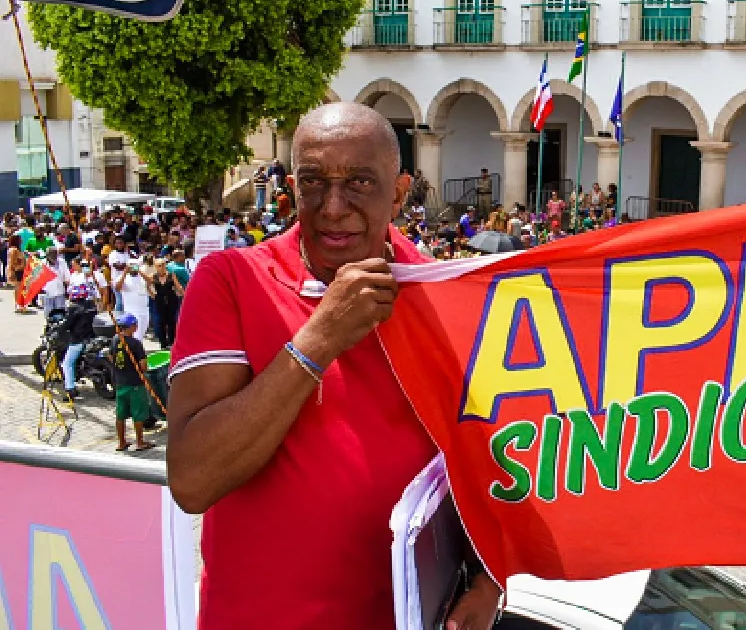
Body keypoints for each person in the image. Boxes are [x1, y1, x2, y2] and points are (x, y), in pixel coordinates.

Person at [165, 103, 500, 630]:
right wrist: (318, 341)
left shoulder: (444, 292)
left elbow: (489, 464)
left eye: (360, 182)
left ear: (399, 192)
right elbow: (191, 480)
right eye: (314, 183)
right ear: (292, 186)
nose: (333, 207)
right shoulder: (230, 279)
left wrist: (488, 581)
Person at [111, 313, 155, 452]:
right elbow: (143, 366)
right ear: (131, 327)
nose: (137, 327)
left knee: (120, 414)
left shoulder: (115, 340)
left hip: (120, 382)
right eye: (135, 325)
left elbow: (112, 357)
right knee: (138, 413)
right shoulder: (135, 344)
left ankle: (121, 442)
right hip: (135, 383)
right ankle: (140, 442)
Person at [60, 283, 98, 401]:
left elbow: (67, 324)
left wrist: (61, 330)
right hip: (91, 337)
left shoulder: (74, 308)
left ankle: (70, 389)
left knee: (67, 363)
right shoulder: (91, 306)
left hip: (78, 339)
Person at [151, 258, 184, 349]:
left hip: (171, 299)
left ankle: (172, 342)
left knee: (171, 321)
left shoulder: (171, 275)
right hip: (160, 300)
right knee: (161, 322)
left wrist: (183, 293)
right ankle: (163, 343)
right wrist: (152, 294)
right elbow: (148, 285)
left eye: (163, 265)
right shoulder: (154, 276)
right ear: (156, 267)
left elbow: (178, 286)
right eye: (159, 265)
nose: (162, 267)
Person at [116, 260, 151, 340]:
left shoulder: (142, 277)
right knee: (136, 335)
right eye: (131, 265)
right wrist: (125, 272)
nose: (133, 267)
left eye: (135, 265)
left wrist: (139, 271)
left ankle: (138, 348)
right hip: (132, 312)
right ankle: (135, 350)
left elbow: (150, 281)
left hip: (144, 311)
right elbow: (117, 288)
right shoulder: (124, 278)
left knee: (141, 334)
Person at [41, 247, 70, 317]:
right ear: (47, 255)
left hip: (59, 292)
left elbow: (67, 277)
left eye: (55, 255)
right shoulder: (42, 263)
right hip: (47, 293)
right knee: (48, 313)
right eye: (51, 255)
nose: (54, 257)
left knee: (60, 314)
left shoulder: (62, 262)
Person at [6, 234, 28, 313]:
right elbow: (12, 262)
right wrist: (16, 269)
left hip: (19, 270)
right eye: (20, 239)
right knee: (18, 289)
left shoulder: (15, 249)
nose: (21, 240)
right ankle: (19, 305)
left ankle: (19, 305)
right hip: (17, 271)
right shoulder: (14, 250)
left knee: (19, 288)